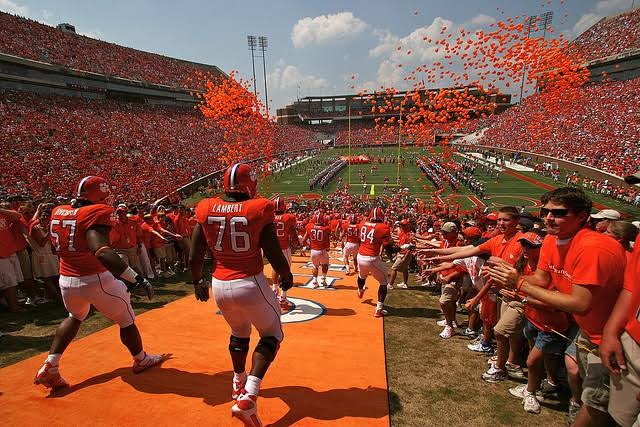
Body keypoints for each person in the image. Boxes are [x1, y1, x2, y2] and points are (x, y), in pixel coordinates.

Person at [484, 187, 626, 426]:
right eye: (546, 211)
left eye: (559, 213)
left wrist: (517, 282)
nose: (549, 217)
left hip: (612, 336)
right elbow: (541, 280)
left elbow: (580, 304)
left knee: (599, 404)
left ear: (582, 216)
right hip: (589, 331)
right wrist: (509, 275)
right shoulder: (552, 239)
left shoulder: (593, 248)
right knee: (584, 385)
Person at [34, 176, 163, 391]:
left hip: (67, 278)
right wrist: (136, 278)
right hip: (95, 278)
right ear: (98, 196)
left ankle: (51, 363)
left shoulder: (59, 210)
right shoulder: (97, 213)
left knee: (75, 317)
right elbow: (101, 250)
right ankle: (141, 359)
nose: (107, 202)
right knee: (126, 319)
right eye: (104, 197)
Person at [190, 163, 293, 427]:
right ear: (251, 184)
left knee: (239, 332)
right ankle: (248, 396)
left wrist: (196, 280)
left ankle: (238, 380)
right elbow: (271, 250)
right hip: (249, 280)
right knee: (272, 334)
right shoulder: (258, 207)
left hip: (219, 284)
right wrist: (285, 273)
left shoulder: (206, 207)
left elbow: (196, 251)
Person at [356, 207, 394, 318]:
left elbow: (361, 239)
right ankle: (379, 308)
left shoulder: (362, 223)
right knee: (384, 281)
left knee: (361, 275)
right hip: (372, 258)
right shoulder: (383, 227)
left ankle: (360, 290)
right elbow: (388, 247)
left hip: (360, 255)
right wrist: (400, 249)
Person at [272, 196, 298, 307]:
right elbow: (292, 233)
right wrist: (295, 242)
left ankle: (274, 288)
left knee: (275, 268)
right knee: (285, 271)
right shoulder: (289, 217)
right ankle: (283, 295)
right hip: (284, 247)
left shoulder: (269, 216)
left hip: (272, 247)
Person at [302, 212, 331, 288]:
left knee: (315, 266)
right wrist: (328, 247)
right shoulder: (326, 228)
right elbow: (327, 241)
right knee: (325, 265)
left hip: (314, 250)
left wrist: (307, 246)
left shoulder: (309, 226)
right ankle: (323, 279)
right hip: (322, 250)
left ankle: (315, 281)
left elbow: (303, 240)